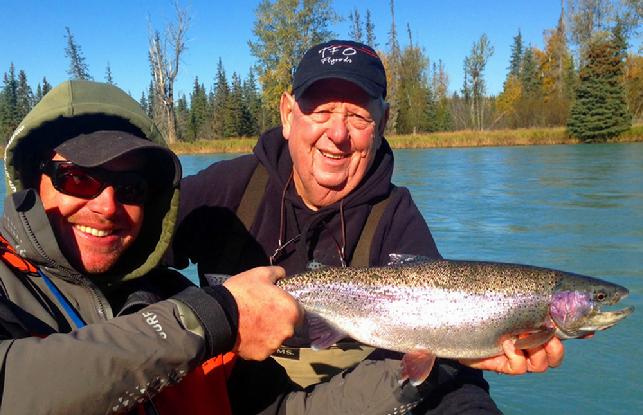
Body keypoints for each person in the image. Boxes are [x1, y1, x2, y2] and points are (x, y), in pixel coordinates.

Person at [167, 40, 565, 412]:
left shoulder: (394, 216)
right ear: (288, 115)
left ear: (382, 123)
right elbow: (129, 249)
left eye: (358, 116)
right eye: (320, 112)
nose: (337, 135)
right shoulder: (229, 188)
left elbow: (442, 367)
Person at [0, 80, 437, 415]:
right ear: (32, 180)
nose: (106, 205)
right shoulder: (7, 285)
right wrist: (214, 317)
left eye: (130, 187)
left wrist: (419, 375)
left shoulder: (167, 297)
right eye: (78, 178)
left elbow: (277, 411)